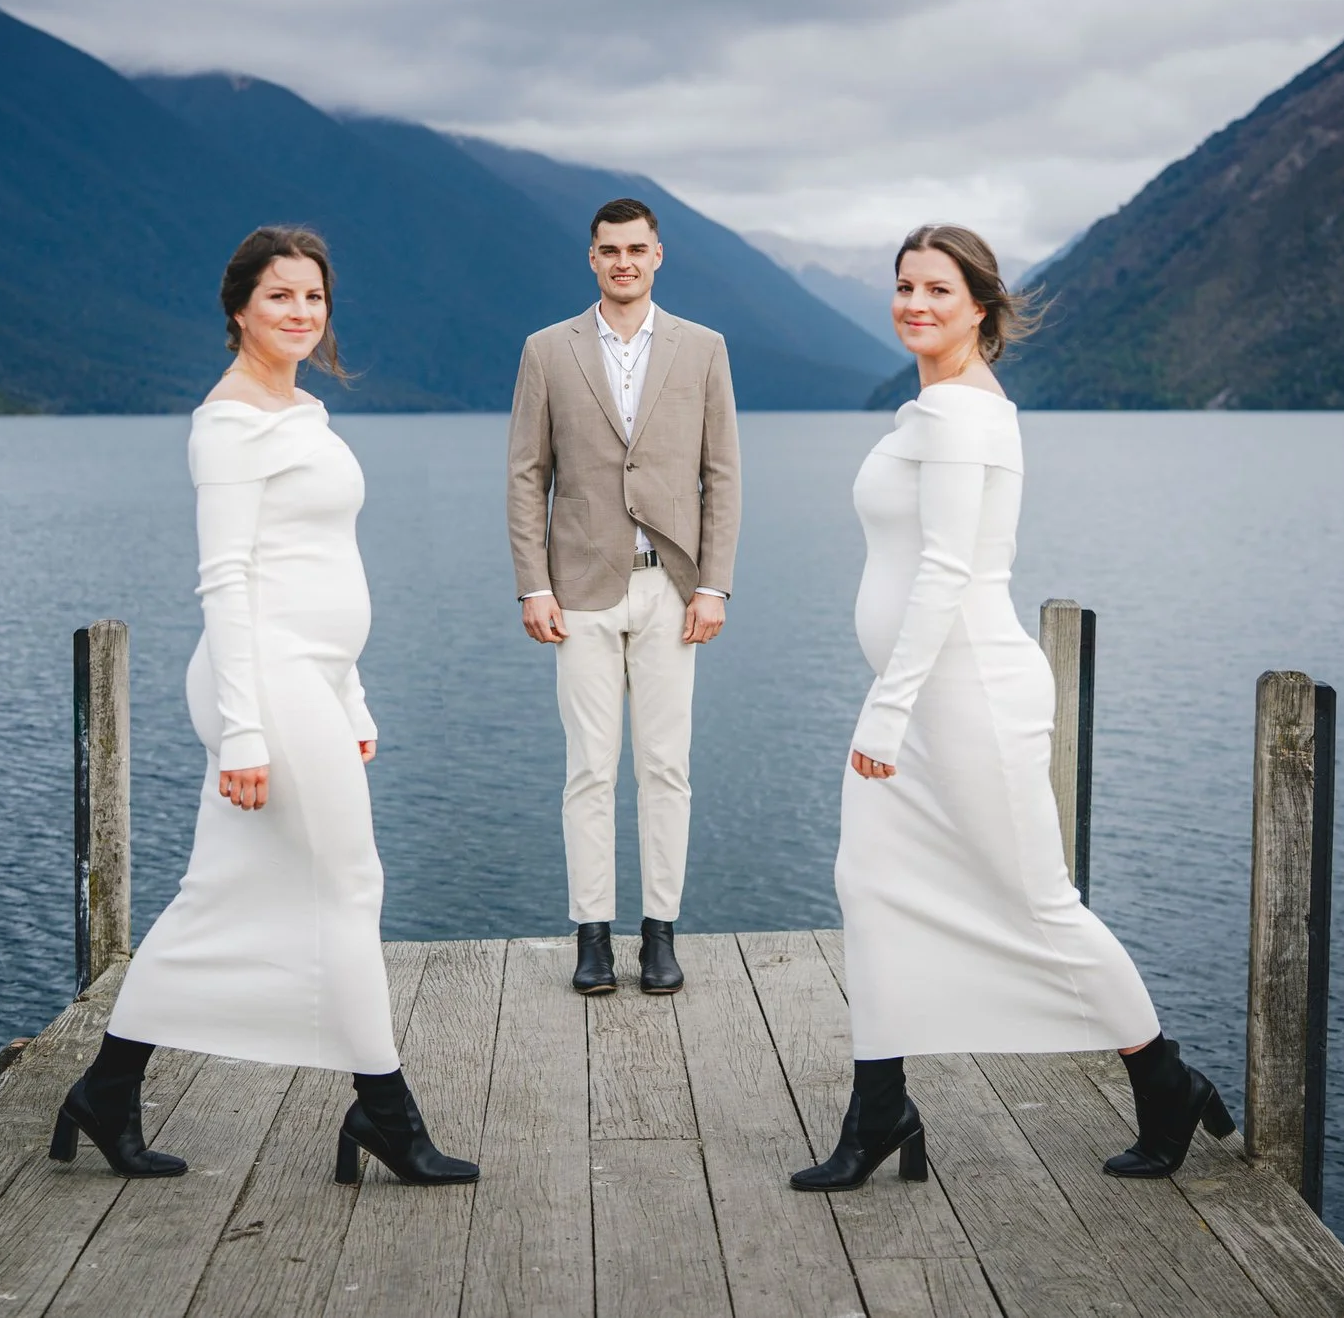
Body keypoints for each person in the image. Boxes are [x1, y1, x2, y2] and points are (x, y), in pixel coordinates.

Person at [791, 224, 1233, 1193]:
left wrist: (885, 711)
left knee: (1038, 902)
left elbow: (946, 570)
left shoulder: (961, 416)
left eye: (937, 290)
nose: (913, 303)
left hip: (966, 696)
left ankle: (1165, 1079)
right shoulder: (942, 406)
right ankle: (880, 1107)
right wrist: (892, 700)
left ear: (980, 309)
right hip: (917, 694)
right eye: (903, 286)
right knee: (870, 888)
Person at [53, 225, 476, 1188]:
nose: (300, 313)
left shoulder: (304, 413)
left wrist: (351, 695)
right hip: (262, 680)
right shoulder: (229, 424)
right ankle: (386, 1115)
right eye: (280, 296)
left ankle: (108, 1089)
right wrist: (245, 730)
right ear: (239, 306)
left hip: (308, 678)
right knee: (352, 883)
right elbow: (228, 584)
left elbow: (325, 563)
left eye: (314, 298)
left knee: (223, 892)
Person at [506, 199, 742, 996]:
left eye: (637, 249)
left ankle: (661, 935)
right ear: (592, 258)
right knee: (589, 772)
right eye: (610, 250)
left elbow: (723, 476)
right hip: (580, 593)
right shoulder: (547, 350)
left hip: (674, 589)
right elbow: (526, 476)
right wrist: (533, 585)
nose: (624, 262)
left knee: (668, 769)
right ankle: (593, 938)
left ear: (659, 255)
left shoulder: (703, 349)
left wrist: (713, 584)